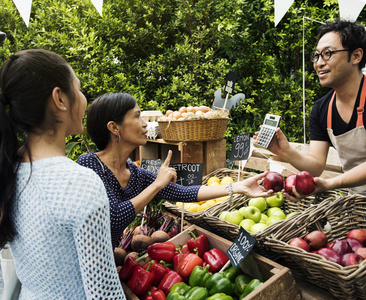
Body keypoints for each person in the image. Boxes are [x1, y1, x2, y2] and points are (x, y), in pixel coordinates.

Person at [255, 19, 366, 207]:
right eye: (316, 56)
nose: (319, 63)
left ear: (356, 56)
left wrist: (330, 184)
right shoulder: (322, 109)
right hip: (363, 205)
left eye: (327, 54)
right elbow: (315, 165)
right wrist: (285, 151)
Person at [0, 49, 125, 299]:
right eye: (78, 89)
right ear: (59, 99)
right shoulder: (80, 183)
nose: (83, 97)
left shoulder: (9, 169)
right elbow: (103, 293)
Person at [77, 92, 273, 248]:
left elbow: (182, 192)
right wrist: (156, 185)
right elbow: (115, 216)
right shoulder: (90, 165)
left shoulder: (134, 173)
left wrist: (237, 187)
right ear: (114, 127)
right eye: (137, 116)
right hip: (81, 262)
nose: (145, 123)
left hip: (106, 257)